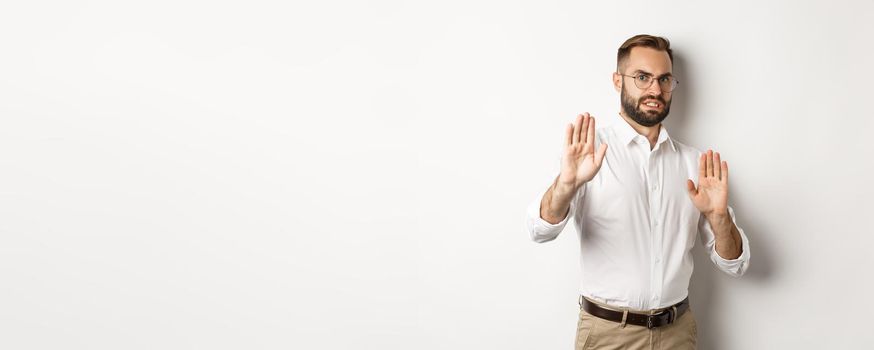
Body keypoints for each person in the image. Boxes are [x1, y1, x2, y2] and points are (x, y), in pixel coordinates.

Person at [524, 34, 750, 350]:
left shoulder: (695, 163)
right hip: (608, 334)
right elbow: (539, 230)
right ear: (618, 81)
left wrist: (719, 217)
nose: (655, 90)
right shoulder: (588, 153)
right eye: (642, 78)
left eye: (664, 79)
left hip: (677, 333)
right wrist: (566, 184)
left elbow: (734, 264)